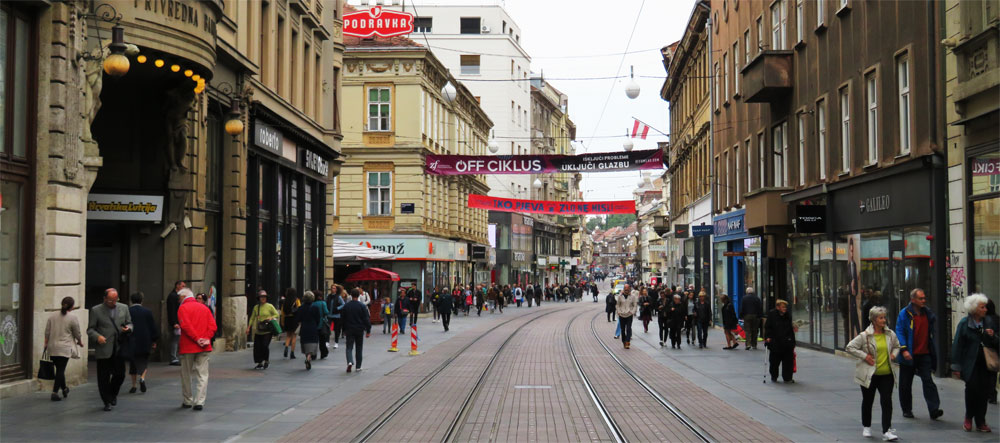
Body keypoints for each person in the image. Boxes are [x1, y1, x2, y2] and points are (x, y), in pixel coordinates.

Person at [846, 306, 902, 441]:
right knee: (868, 401)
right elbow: (850, 347)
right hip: (870, 375)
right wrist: (865, 356)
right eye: (881, 318)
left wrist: (893, 355)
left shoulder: (890, 334)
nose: (884, 320)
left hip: (887, 374)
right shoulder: (865, 335)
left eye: (884, 317)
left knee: (887, 401)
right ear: (874, 320)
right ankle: (866, 426)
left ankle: (887, 431)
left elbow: (897, 346)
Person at [951, 293, 998, 432]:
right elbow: (958, 345)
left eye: (985, 307)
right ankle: (968, 417)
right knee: (972, 390)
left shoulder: (989, 322)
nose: (985, 310)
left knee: (984, 392)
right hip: (970, 364)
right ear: (974, 309)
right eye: (982, 307)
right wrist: (956, 366)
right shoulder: (964, 323)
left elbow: (997, 342)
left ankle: (981, 421)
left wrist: (993, 336)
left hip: (985, 363)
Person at [894, 288, 943, 420]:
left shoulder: (927, 313)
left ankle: (934, 409)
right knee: (905, 383)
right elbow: (899, 331)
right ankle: (907, 409)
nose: (923, 300)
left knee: (928, 381)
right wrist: (904, 349)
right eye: (920, 298)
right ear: (913, 300)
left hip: (924, 353)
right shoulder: (904, 313)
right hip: (909, 353)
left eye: (924, 298)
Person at [87, 288, 133, 411]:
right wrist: (97, 337)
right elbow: (90, 329)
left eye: (115, 300)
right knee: (103, 377)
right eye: (110, 300)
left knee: (120, 374)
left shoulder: (124, 308)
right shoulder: (96, 310)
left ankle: (112, 394)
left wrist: (128, 328)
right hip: (104, 347)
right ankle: (106, 401)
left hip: (118, 347)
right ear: (105, 299)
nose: (113, 302)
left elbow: (129, 323)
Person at [177, 288, 217, 411]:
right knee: (203, 374)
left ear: (183, 297)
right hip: (204, 346)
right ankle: (199, 401)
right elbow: (213, 326)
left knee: (186, 374)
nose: (178, 300)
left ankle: (187, 400)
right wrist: (206, 338)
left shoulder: (182, 308)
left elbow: (185, 325)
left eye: (179, 298)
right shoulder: (204, 308)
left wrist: (196, 338)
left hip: (188, 346)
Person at [44, 296, 83, 401]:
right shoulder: (73, 317)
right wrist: (80, 342)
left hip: (52, 347)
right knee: (60, 370)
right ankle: (55, 392)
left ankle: (64, 389)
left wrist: (46, 343)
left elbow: (47, 332)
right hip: (64, 348)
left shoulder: (52, 316)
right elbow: (77, 332)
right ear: (72, 306)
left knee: (59, 370)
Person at [126, 292, 158, 394]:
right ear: (142, 300)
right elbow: (152, 326)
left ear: (131, 300)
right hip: (145, 340)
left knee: (133, 363)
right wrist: (154, 340)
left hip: (132, 340)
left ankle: (134, 385)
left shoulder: (128, 311)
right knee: (144, 361)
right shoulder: (147, 312)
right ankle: (142, 378)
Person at [765, 299, 797, 383]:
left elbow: (790, 329)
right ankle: (774, 376)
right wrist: (768, 337)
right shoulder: (772, 315)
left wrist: (792, 342)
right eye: (783, 307)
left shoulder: (787, 315)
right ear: (778, 307)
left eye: (785, 307)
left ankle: (787, 378)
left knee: (788, 361)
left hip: (787, 342)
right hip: (775, 342)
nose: (785, 308)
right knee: (774, 362)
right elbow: (768, 327)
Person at [246, 290, 279, 370]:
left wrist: (270, 318)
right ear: (259, 298)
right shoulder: (256, 307)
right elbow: (252, 318)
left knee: (265, 346)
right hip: (259, 330)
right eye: (261, 297)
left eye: (264, 297)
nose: (263, 298)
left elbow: (276, 314)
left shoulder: (270, 306)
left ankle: (266, 360)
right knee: (257, 347)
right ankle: (260, 362)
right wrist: (248, 327)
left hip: (267, 330)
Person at [342, 288, 372, 372]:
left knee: (349, 347)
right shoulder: (362, 306)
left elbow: (343, 319)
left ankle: (350, 361)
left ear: (351, 295)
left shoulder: (346, 306)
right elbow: (366, 319)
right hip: (359, 329)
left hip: (349, 329)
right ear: (359, 295)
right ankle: (358, 366)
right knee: (359, 347)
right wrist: (368, 330)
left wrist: (344, 330)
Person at [295, 291, 321, 370]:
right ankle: (309, 357)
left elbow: (298, 319)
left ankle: (307, 357)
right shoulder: (315, 308)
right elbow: (318, 318)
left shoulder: (300, 308)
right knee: (312, 343)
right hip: (313, 327)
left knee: (305, 343)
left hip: (304, 327)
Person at [165, 281, 184, 366]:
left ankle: (175, 357)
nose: (183, 288)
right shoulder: (173, 296)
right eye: (182, 286)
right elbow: (172, 311)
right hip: (175, 322)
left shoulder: (177, 295)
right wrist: (174, 323)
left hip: (178, 321)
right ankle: (173, 358)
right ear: (177, 286)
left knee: (177, 339)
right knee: (175, 339)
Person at [615, 284, 639, 349]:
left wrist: (632, 312)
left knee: (628, 328)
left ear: (629, 289)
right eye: (625, 288)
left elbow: (635, 305)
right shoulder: (620, 296)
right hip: (622, 315)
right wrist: (619, 311)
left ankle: (627, 342)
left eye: (627, 288)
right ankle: (624, 341)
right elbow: (617, 305)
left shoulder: (633, 296)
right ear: (624, 289)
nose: (626, 289)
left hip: (629, 314)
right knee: (622, 329)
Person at [281, 288, 300, 359]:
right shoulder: (296, 300)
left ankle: (286, 347)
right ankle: (292, 353)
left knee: (288, 335)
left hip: (287, 319)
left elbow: (282, 313)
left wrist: (282, 321)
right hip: (294, 319)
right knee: (294, 336)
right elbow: (299, 309)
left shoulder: (284, 301)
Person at [312, 291, 331, 359]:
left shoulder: (312, 304)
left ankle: (313, 355)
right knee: (322, 340)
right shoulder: (323, 303)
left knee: (314, 340)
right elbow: (326, 312)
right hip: (322, 323)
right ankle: (323, 353)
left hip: (313, 323)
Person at [328, 285, 346, 349]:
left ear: (336, 289)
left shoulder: (338, 297)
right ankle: (327, 342)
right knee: (327, 328)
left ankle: (336, 342)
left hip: (336, 315)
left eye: (334, 288)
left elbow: (343, 304)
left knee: (336, 329)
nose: (332, 289)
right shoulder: (328, 296)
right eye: (332, 288)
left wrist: (338, 308)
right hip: (329, 315)